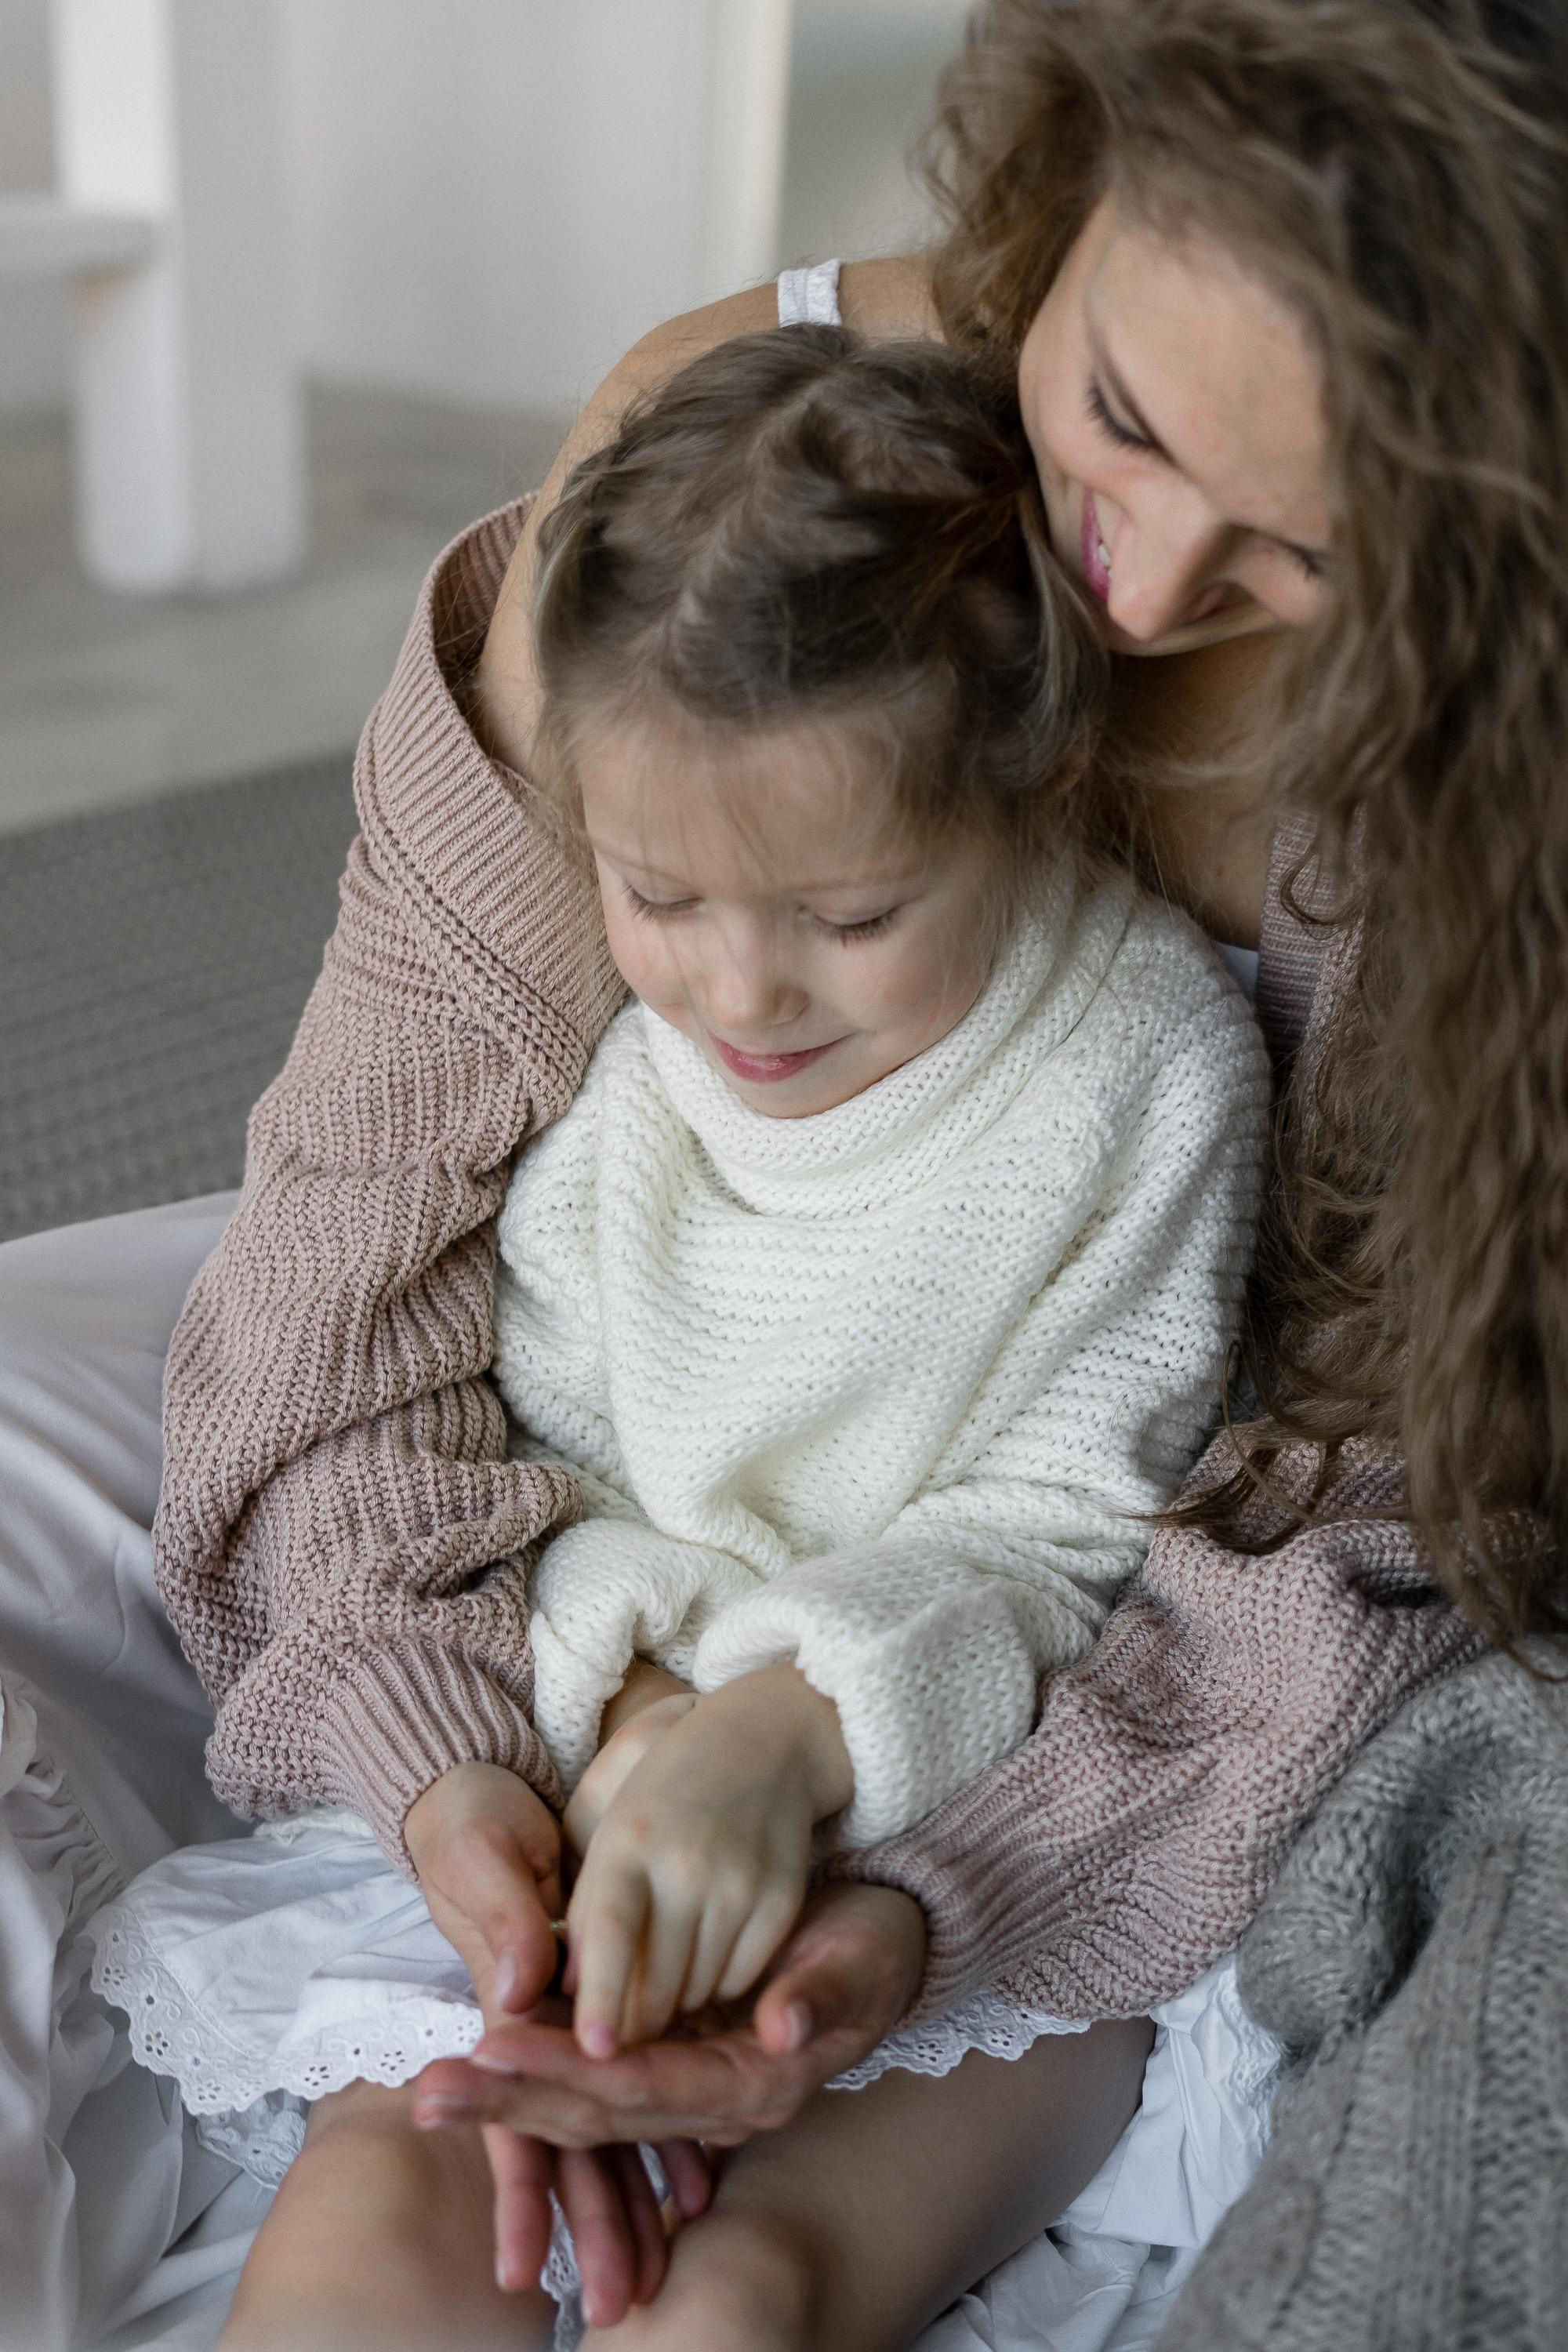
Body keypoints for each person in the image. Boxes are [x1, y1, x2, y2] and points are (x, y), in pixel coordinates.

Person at [1, 0, 1563, 2344]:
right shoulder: (717, 516)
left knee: (760, 2287)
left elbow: (1319, 1536)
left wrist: (889, 1862)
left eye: (1311, 553)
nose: (1135, 590)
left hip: (1069, 1670)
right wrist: (491, 1774)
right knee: (390, 2196)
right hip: (600, 1538)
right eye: (1122, 419)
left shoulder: (1258, 993)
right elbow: (361, 1261)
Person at [85, 322, 1270, 2348]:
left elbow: (1085, 1524)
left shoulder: (1145, 1068)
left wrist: (779, 1739)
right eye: (661, 892)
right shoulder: (640, 1084)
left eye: (852, 909)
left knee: (739, 2301)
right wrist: (614, 1740)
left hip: (951, 1835)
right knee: (394, 2210)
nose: (745, 989)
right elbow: (535, 1450)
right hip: (597, 1805)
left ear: (1032, 781)